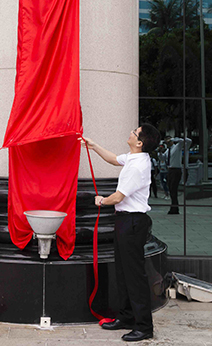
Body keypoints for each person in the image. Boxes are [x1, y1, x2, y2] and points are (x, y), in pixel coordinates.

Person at [83, 123, 161, 342]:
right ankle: (126, 316)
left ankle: (144, 327)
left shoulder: (138, 166)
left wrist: (101, 201)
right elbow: (113, 159)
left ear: (140, 142)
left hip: (133, 222)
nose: (130, 132)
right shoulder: (135, 157)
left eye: (134, 132)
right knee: (123, 273)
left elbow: (118, 197)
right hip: (126, 221)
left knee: (134, 276)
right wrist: (94, 145)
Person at [164, 135, 192, 214]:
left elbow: (189, 141)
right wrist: (159, 153)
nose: (167, 142)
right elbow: (164, 158)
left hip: (176, 170)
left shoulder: (177, 147)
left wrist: (175, 139)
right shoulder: (168, 150)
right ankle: (173, 207)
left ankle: (175, 208)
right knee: (171, 189)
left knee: (174, 189)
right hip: (169, 170)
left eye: (168, 141)